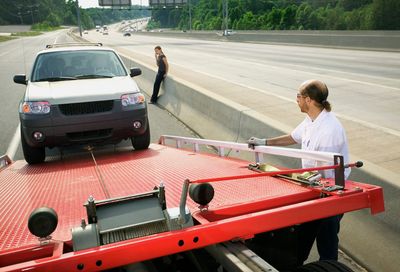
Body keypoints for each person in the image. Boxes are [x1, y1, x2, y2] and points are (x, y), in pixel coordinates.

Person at [247, 79, 350, 263]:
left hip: (330, 193)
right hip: (312, 188)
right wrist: (264, 142)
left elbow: (327, 170)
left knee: (326, 243)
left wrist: (301, 181)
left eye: (298, 96)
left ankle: (329, 266)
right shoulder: (311, 119)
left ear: (309, 100)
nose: (296, 100)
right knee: (304, 236)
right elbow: (293, 137)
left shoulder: (329, 129)